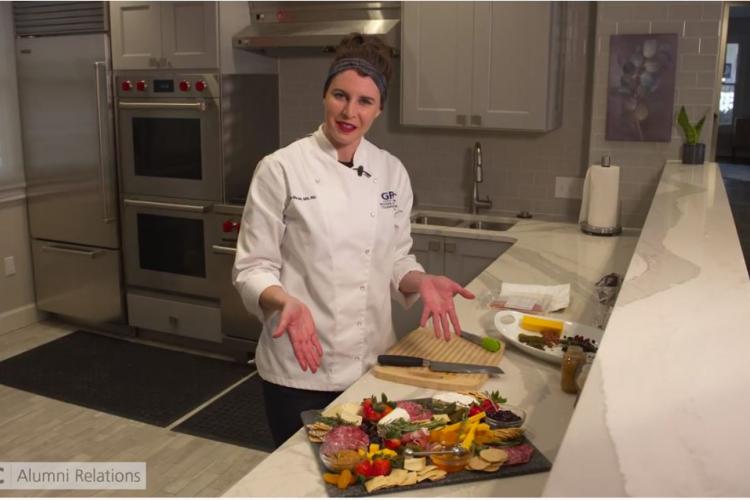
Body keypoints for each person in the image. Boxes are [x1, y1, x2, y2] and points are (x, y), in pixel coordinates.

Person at [233, 33, 475, 446]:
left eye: (364, 101)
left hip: (370, 367)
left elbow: (397, 259)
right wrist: (284, 300)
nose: (349, 111)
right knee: (302, 481)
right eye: (339, 95)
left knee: (365, 474)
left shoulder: (391, 172)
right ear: (324, 95)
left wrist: (422, 281)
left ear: (379, 108)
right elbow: (252, 267)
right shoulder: (281, 169)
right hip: (298, 369)